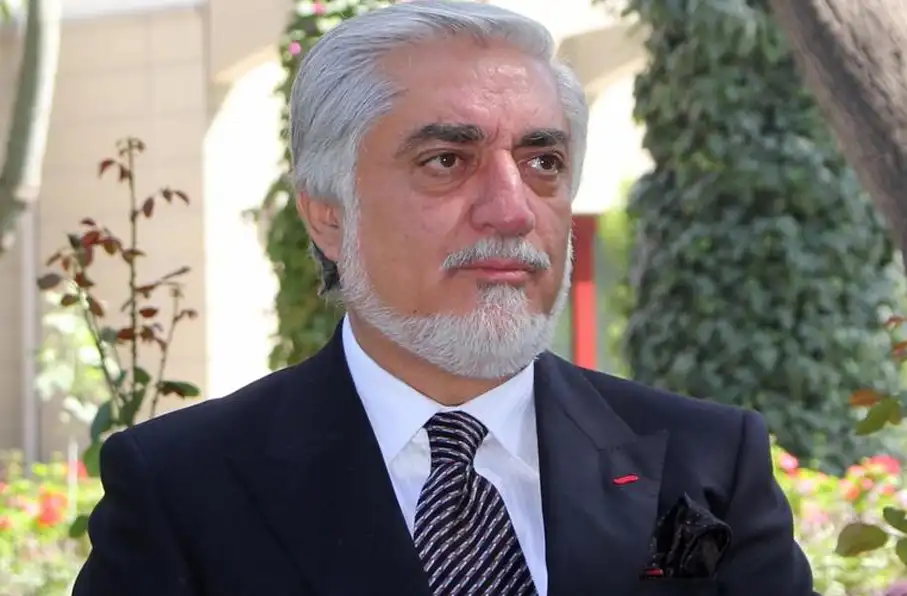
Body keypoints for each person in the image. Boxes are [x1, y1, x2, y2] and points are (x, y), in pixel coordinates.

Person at [71, 1, 819, 595]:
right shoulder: (182, 488)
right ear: (328, 214)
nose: (512, 210)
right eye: (446, 160)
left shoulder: (707, 461)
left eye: (543, 161)